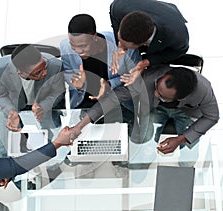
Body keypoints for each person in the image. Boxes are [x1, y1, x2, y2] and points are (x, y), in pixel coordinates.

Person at [71, 65, 219, 159]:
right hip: (157, 109)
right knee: (141, 139)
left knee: (189, 150)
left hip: (185, 113)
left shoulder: (204, 90)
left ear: (181, 97)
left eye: (161, 95)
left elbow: (212, 117)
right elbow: (113, 98)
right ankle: (143, 161)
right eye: (156, 88)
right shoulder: (148, 79)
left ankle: (186, 171)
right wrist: (80, 125)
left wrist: (181, 139)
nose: (155, 94)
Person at [0, 44, 65, 158]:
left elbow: (58, 92)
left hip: (45, 106)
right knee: (2, 149)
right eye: (38, 72)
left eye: (44, 67)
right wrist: (11, 111)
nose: (44, 73)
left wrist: (43, 106)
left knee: (51, 147)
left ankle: (51, 168)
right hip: (14, 106)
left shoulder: (55, 65)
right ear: (20, 72)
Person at [60, 13, 133, 124]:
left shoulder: (118, 43)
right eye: (73, 45)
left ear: (94, 37)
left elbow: (132, 75)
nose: (78, 51)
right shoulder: (65, 46)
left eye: (83, 46)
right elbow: (67, 72)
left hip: (118, 103)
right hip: (85, 106)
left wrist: (109, 84)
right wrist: (77, 83)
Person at [109, 0, 189, 86]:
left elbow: (178, 51)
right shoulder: (119, 7)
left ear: (144, 44)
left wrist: (147, 62)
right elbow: (114, 16)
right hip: (147, 8)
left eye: (125, 45)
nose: (121, 44)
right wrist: (120, 47)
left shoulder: (177, 37)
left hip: (170, 19)